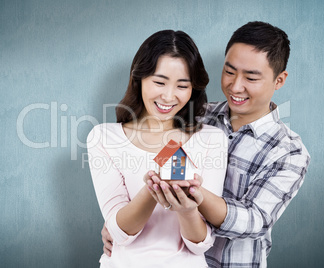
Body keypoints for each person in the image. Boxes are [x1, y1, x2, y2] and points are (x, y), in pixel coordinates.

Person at [102, 21, 311, 267]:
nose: (235, 86)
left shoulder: (289, 151)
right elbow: (148, 168)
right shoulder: (193, 116)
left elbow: (255, 221)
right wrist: (117, 220)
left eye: (251, 77)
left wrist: (191, 193)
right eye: (229, 71)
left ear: (279, 80)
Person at [87, 30, 228, 267]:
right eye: (159, 82)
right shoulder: (103, 137)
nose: (169, 96)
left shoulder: (211, 139)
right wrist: (152, 190)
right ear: (139, 78)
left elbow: (200, 243)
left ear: (194, 88)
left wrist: (187, 210)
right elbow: (118, 233)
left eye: (182, 85)